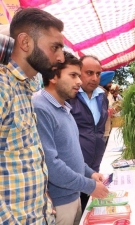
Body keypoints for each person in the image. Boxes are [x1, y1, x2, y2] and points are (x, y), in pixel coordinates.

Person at [0, 8, 65, 224]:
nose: (61, 57)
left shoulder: (30, 85)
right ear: (25, 42)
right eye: (55, 47)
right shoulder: (3, 86)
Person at [33, 51, 109, 225]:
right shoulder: (40, 107)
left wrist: (90, 174)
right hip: (59, 202)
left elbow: (72, 155)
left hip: (73, 194)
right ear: (53, 76)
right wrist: (89, 186)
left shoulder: (63, 107)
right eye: (73, 75)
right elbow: (51, 164)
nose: (79, 81)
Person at [68, 55, 109, 212]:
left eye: (98, 74)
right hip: (75, 166)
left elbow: (98, 129)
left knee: (94, 208)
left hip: (96, 164)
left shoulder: (102, 96)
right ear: (78, 73)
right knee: (78, 208)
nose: (94, 78)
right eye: (89, 73)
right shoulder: (69, 96)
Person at [99, 71, 116, 143]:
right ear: (104, 82)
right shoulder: (100, 93)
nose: (111, 84)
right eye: (109, 82)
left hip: (105, 129)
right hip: (102, 131)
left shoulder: (105, 93)